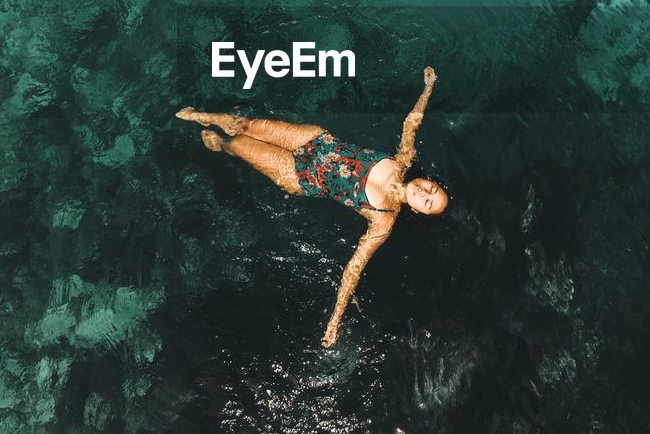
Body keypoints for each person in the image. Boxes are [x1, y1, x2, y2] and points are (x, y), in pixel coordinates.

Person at [177, 65, 447, 347]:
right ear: (429, 180)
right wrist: (428, 88)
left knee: (238, 145)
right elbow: (411, 123)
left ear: (417, 211)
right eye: (432, 189)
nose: (424, 192)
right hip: (316, 141)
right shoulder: (403, 162)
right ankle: (203, 116)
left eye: (426, 202)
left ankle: (221, 144)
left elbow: (354, 267)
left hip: (300, 176)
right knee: (249, 125)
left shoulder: (383, 219)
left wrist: (335, 320)